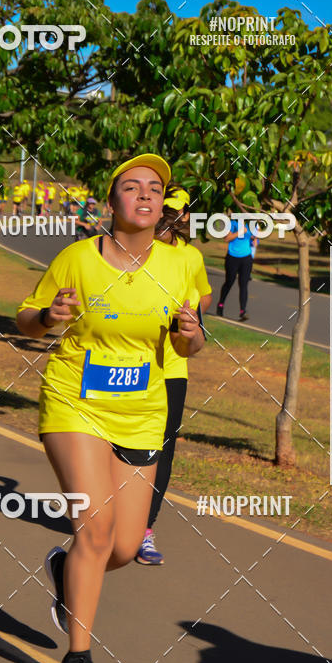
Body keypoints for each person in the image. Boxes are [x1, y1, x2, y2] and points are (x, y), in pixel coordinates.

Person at [16, 154, 204, 663]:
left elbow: (187, 345)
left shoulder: (181, 265)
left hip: (143, 410)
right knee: (94, 531)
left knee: (122, 547)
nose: (144, 195)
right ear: (111, 202)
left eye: (154, 188)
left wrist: (192, 334)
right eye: (131, 187)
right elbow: (24, 319)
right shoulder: (77, 258)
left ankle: (65, 567)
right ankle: (77, 660)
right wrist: (48, 316)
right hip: (75, 401)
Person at [136, 184, 212, 565]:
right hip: (129, 365)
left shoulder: (191, 258)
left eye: (175, 211)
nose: (171, 216)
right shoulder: (133, 248)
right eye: (167, 208)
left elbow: (201, 304)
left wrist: (188, 322)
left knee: (161, 451)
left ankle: (144, 529)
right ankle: (116, 518)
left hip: (171, 369)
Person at [216, 215, 254, 321]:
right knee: (229, 282)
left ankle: (243, 311)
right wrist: (240, 231)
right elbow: (227, 238)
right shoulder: (233, 223)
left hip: (246, 258)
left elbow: (254, 237)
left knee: (243, 284)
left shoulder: (251, 223)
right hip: (232, 257)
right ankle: (220, 304)